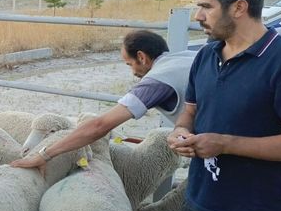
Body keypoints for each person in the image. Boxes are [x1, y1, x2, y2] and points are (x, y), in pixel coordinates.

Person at [167, 0, 281, 211]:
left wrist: (226, 144)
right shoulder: (206, 55)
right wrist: (179, 131)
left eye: (206, 7)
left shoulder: (280, 61)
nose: (198, 16)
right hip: (199, 205)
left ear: (239, 7)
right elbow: (190, 111)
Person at [11, 29, 196, 172]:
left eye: (130, 64)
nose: (133, 72)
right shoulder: (187, 57)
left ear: (142, 57)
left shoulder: (157, 80)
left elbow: (100, 125)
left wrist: (45, 155)